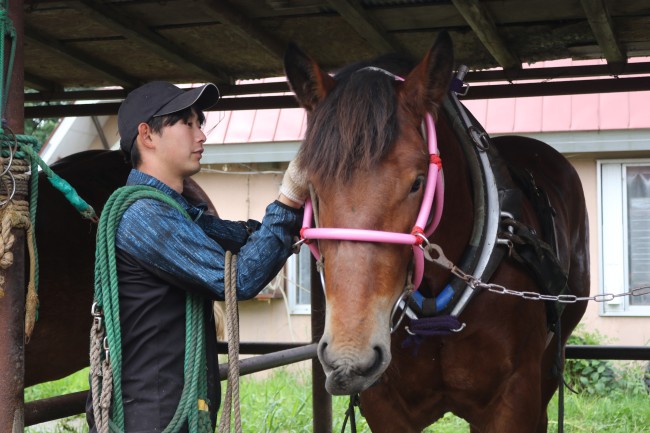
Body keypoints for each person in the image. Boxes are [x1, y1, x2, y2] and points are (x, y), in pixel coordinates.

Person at [86, 81, 308, 432]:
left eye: (199, 123)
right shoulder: (145, 215)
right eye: (187, 123)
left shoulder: (179, 214)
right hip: (153, 419)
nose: (201, 135)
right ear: (148, 136)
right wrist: (289, 199)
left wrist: (297, 218)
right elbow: (237, 279)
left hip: (175, 412)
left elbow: (241, 236)